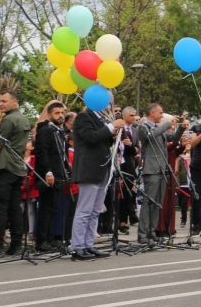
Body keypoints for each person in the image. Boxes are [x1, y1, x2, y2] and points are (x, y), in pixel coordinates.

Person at [70, 105, 125, 261]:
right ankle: (78, 247)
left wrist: (113, 133)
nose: (107, 106)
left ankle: (88, 244)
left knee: (95, 210)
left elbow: (104, 140)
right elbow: (90, 138)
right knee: (84, 209)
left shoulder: (99, 119)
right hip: (89, 168)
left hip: (102, 167)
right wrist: (110, 126)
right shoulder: (83, 116)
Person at [137, 104, 186, 246]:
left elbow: (173, 137)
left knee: (157, 203)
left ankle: (152, 233)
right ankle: (143, 234)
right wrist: (166, 125)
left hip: (161, 168)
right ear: (152, 113)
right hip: (151, 169)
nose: (162, 115)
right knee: (149, 202)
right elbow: (150, 136)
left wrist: (181, 126)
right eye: (160, 113)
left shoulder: (159, 128)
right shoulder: (144, 126)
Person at [0, 91, 32, 259]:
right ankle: (16, 245)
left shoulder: (8, 120)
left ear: (15, 102)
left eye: (4, 101)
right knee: (14, 207)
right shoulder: (23, 118)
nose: (0, 104)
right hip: (16, 168)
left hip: (4, 167)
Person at [33, 100, 68, 252]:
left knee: (53, 208)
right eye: (57, 113)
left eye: (62, 113)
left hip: (58, 173)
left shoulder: (58, 131)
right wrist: (48, 171)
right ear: (49, 114)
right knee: (46, 209)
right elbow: (42, 152)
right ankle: (41, 241)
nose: (60, 116)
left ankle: (50, 238)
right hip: (48, 174)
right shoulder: (45, 131)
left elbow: (60, 154)